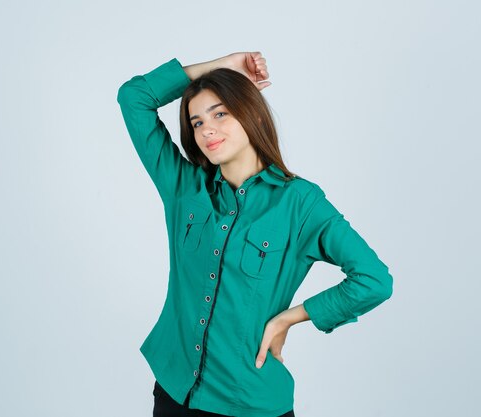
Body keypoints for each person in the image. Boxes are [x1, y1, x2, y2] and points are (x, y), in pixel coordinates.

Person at [117, 51, 394, 417]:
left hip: (247, 403)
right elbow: (133, 97)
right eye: (196, 122)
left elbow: (374, 280)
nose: (207, 129)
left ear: (253, 114)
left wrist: (289, 318)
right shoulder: (184, 188)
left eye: (220, 114)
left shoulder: (300, 203)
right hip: (174, 392)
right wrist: (218, 67)